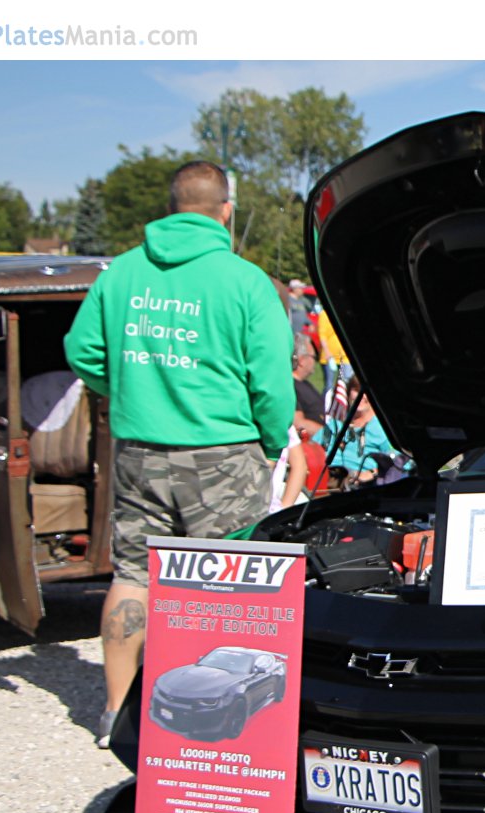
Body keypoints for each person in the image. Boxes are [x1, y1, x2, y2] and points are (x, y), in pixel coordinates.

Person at [65, 160, 295, 748]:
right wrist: (272, 443)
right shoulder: (245, 282)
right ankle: (208, 732)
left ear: (172, 206)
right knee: (227, 584)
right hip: (223, 454)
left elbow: (82, 351)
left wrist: (131, 396)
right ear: (226, 210)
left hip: (140, 449)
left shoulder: (121, 274)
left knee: (134, 573)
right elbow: (271, 383)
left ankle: (116, 713)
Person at [291, 337, 324, 440]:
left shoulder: (305, 384)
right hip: (311, 445)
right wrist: (328, 434)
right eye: (314, 357)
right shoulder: (291, 386)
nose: (315, 361)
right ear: (301, 360)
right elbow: (298, 423)